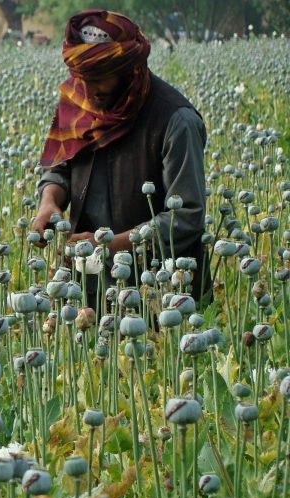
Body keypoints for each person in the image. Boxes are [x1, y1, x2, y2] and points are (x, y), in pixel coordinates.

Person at [32, 9, 208, 297]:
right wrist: (49, 202)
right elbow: (60, 168)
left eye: (100, 78)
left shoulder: (176, 121)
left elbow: (187, 217)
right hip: (84, 288)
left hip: (159, 292)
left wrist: (110, 245)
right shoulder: (80, 102)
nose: (89, 90)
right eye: (83, 77)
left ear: (129, 71)